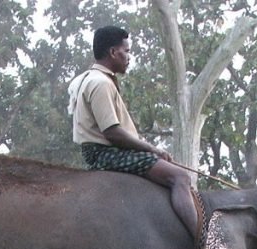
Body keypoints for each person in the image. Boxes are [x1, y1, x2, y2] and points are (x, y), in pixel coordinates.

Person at [68, 25, 199, 237]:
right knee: (180, 177)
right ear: (113, 52)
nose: (129, 57)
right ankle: (201, 241)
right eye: (126, 51)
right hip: (106, 154)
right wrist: (152, 149)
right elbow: (112, 132)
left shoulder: (84, 79)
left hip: (97, 152)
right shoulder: (101, 83)